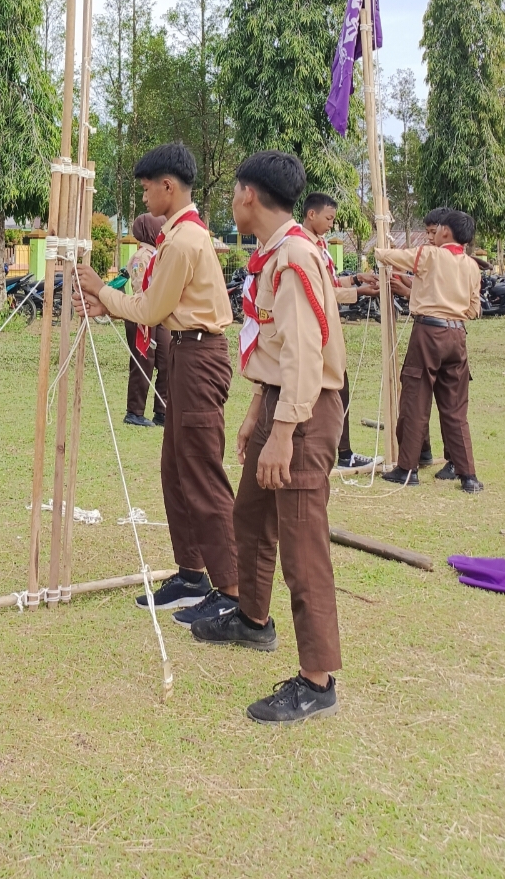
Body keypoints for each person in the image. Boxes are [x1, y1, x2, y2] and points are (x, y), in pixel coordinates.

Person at [191, 151, 346, 726]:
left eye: (234, 191)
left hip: (304, 411)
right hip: (281, 402)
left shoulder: (296, 257)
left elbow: (306, 353)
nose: (232, 202)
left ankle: (318, 679)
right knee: (251, 515)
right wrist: (260, 406)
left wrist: (285, 431)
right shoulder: (274, 255)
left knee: (302, 542)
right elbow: (279, 345)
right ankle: (253, 619)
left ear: (250, 195)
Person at [75, 144, 238, 624]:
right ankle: (192, 574)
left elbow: (149, 310)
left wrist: (98, 288)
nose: (144, 198)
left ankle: (230, 590)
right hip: (185, 352)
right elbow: (154, 302)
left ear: (169, 186)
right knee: (176, 469)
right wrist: (112, 304)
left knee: (203, 474)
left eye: (147, 189)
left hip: (199, 355)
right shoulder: (177, 235)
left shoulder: (185, 240)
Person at [374, 208, 483, 492]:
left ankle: (407, 468)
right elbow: (474, 308)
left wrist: (381, 248)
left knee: (415, 397)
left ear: (445, 231)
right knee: (455, 408)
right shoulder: (472, 265)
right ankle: (468, 476)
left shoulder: (431, 255)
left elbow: (392, 257)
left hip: (428, 332)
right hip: (458, 335)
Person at [300, 192, 378, 471]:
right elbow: (320, 292)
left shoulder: (318, 246)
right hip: (315, 331)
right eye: (328, 218)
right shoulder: (302, 247)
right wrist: (358, 291)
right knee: (330, 390)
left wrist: (357, 278)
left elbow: (331, 282)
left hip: (328, 328)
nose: (332, 225)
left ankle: (340, 451)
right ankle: (338, 453)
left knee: (337, 389)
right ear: (312, 215)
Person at [122, 212, 171, 428]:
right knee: (143, 362)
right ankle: (134, 411)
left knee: (168, 359)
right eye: (159, 228)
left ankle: (162, 409)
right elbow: (141, 286)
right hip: (141, 314)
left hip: (160, 314)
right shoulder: (142, 256)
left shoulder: (158, 253)